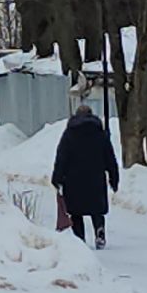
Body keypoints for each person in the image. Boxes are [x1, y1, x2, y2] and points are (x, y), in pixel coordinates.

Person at [52, 105, 119, 249]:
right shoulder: (100, 134)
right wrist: (114, 178)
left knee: (76, 211)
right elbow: (110, 158)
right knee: (96, 209)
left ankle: (80, 239)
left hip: (73, 179)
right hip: (96, 178)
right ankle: (99, 230)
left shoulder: (69, 134)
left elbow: (62, 157)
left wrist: (57, 178)